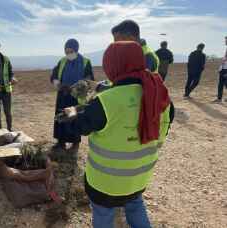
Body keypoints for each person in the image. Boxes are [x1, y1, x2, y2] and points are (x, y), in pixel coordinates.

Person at [62, 41, 174, 227]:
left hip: (105, 184)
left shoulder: (105, 101)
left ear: (112, 66)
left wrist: (74, 110)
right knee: (135, 205)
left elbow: (80, 127)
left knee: (103, 213)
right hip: (138, 179)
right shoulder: (160, 96)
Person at [51, 38, 94, 152]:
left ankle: (75, 144)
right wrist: (59, 85)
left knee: (74, 118)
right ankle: (61, 142)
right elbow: (54, 75)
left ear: (76, 50)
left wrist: (78, 87)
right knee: (61, 117)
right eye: (66, 51)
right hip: (63, 94)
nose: (68, 54)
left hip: (76, 96)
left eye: (71, 51)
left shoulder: (85, 62)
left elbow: (89, 79)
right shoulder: (62, 61)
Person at [214, 36, 227, 102]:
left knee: (224, 84)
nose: (225, 41)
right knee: (221, 84)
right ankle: (219, 98)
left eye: (226, 40)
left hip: (226, 70)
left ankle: (219, 98)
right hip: (223, 69)